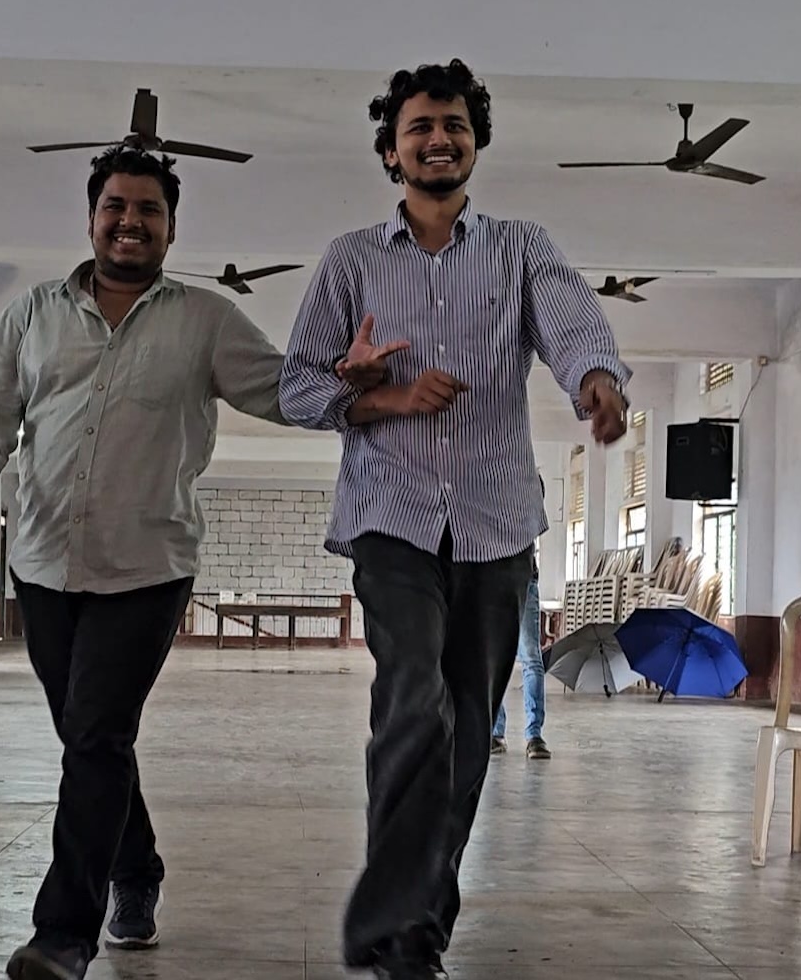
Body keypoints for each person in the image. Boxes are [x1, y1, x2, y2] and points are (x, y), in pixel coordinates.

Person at [0, 146, 382, 980]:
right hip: (41, 561)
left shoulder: (205, 319)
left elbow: (282, 391)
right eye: (116, 206)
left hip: (146, 567)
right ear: (91, 218)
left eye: (148, 210)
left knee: (96, 736)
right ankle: (136, 868)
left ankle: (62, 936)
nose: (130, 221)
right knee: (90, 738)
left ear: (171, 228)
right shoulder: (30, 315)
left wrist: (347, 380)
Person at [279, 59, 631, 980]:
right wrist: (373, 394)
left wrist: (596, 381)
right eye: (419, 128)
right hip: (390, 516)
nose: (438, 140)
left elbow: (572, 326)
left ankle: (417, 935)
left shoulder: (519, 247)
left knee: (468, 729)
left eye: (453, 126)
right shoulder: (351, 260)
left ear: (474, 143)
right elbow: (297, 387)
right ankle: (390, 915)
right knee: (413, 704)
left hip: (493, 522)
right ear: (390, 152)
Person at [493, 476, 549, 759]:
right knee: (495, 659)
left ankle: (534, 735)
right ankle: (495, 731)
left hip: (525, 578)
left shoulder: (530, 482)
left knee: (530, 657)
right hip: (492, 580)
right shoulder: (489, 484)